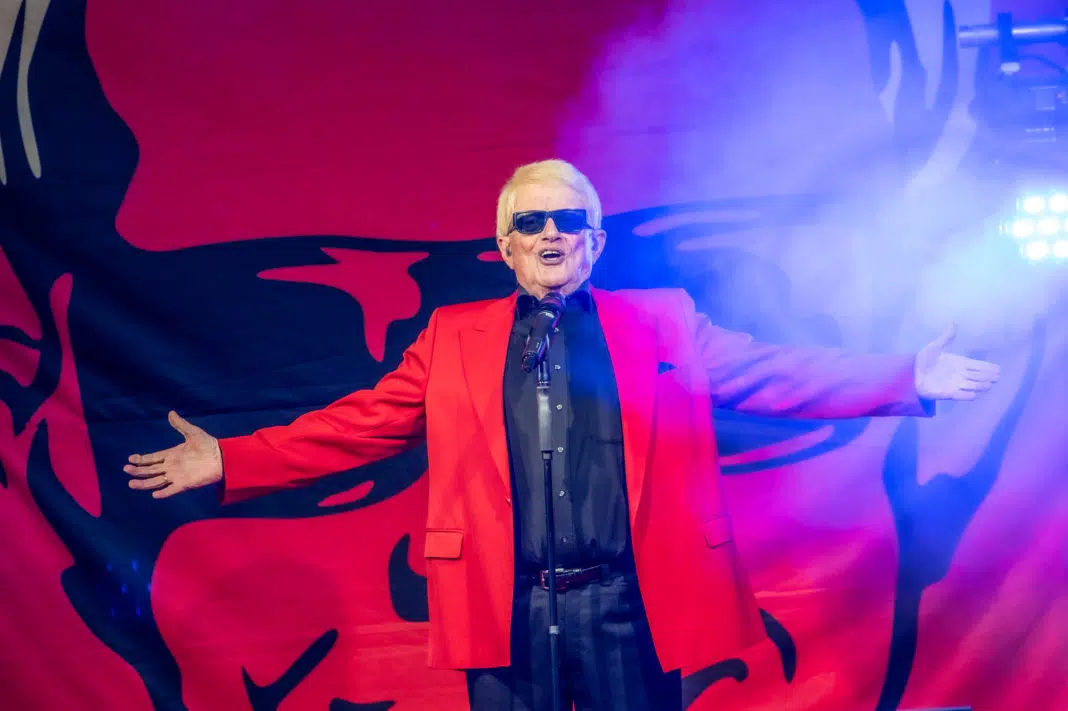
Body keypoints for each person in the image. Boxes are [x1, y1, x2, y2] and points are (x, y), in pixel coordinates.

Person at [126, 159, 1000, 710]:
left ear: (595, 241)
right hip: (505, 605)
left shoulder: (661, 321)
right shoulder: (453, 337)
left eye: (570, 221)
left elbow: (774, 373)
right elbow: (361, 424)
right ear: (504, 246)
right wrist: (232, 457)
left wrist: (903, 377)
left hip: (626, 602)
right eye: (532, 222)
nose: (552, 233)